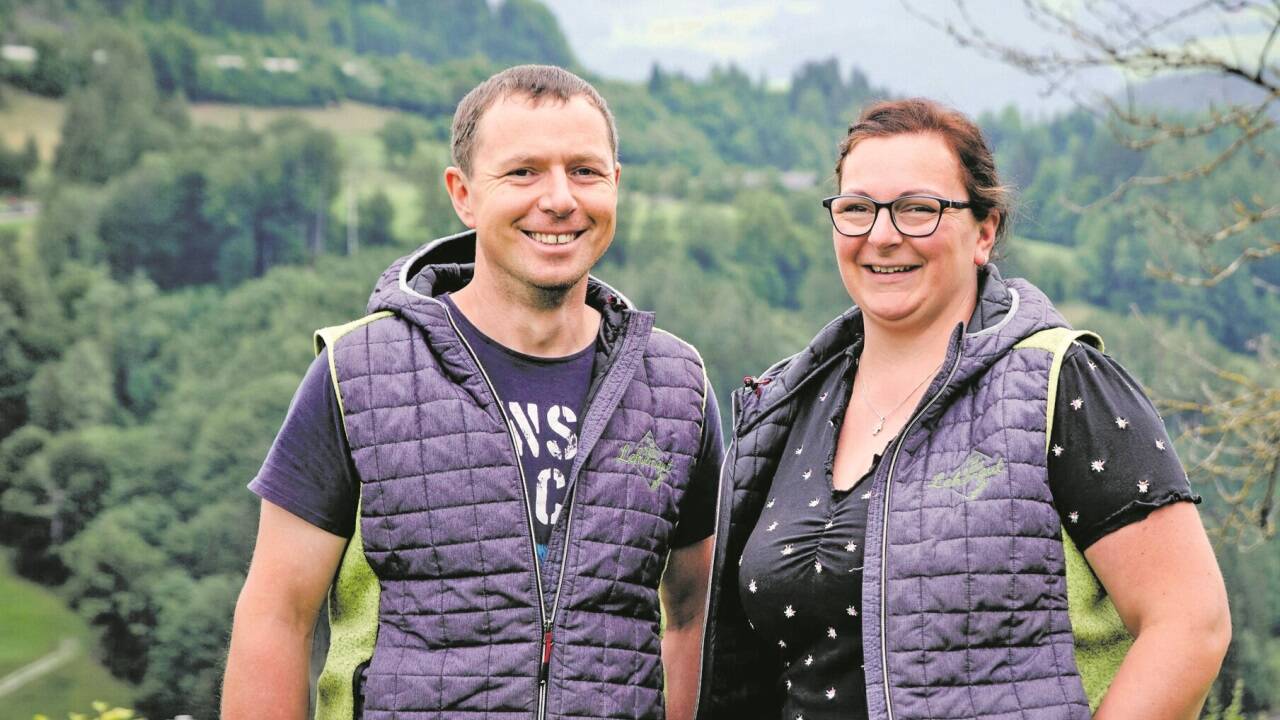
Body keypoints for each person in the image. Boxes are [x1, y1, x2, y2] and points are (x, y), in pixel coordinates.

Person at [695, 99, 1230, 720]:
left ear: (984, 232)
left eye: (919, 209)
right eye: (857, 208)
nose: (882, 235)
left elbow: (1190, 623)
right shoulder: (787, 405)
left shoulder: (1059, 383)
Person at [223, 65, 722, 720]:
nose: (559, 198)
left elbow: (693, 616)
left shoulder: (676, 386)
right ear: (463, 193)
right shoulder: (361, 373)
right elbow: (277, 615)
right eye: (523, 172)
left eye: (585, 171)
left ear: (616, 185)